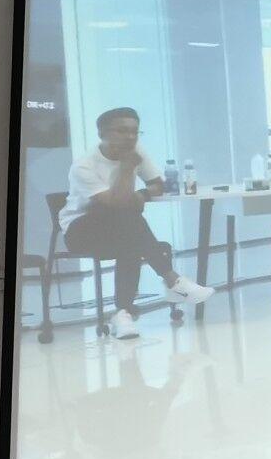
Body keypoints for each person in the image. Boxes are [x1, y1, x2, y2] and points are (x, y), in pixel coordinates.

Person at [59, 106, 214, 341]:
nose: (130, 137)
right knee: (126, 217)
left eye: (135, 131)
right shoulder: (84, 166)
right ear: (102, 134)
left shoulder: (135, 151)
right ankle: (173, 281)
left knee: (129, 234)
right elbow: (116, 203)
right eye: (122, 131)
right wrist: (127, 168)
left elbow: (159, 184)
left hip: (120, 227)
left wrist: (142, 194)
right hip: (81, 231)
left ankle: (123, 314)